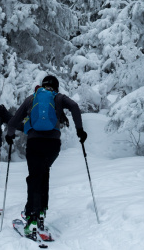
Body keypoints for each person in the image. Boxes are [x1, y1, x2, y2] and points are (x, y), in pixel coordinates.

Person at [6, 75, 87, 239]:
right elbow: (75, 106)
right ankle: (41, 212)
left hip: (35, 143)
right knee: (44, 174)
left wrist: (10, 135)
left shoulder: (32, 98)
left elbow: (14, 120)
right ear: (56, 86)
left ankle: (32, 219)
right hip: (53, 145)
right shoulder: (58, 98)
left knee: (34, 178)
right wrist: (80, 130)